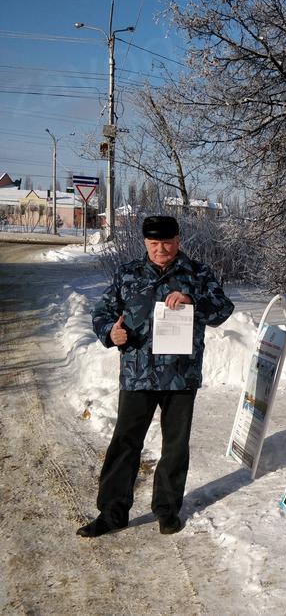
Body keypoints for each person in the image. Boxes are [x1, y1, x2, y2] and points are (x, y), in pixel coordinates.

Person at [77, 215, 234, 537]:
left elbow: (222, 309)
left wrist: (193, 300)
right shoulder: (128, 274)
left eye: (167, 243)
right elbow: (102, 313)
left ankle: (167, 509)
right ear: (144, 243)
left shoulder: (197, 273)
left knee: (175, 447)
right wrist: (111, 332)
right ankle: (112, 512)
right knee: (124, 443)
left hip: (180, 376)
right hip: (138, 374)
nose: (161, 249)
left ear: (178, 240)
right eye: (153, 243)